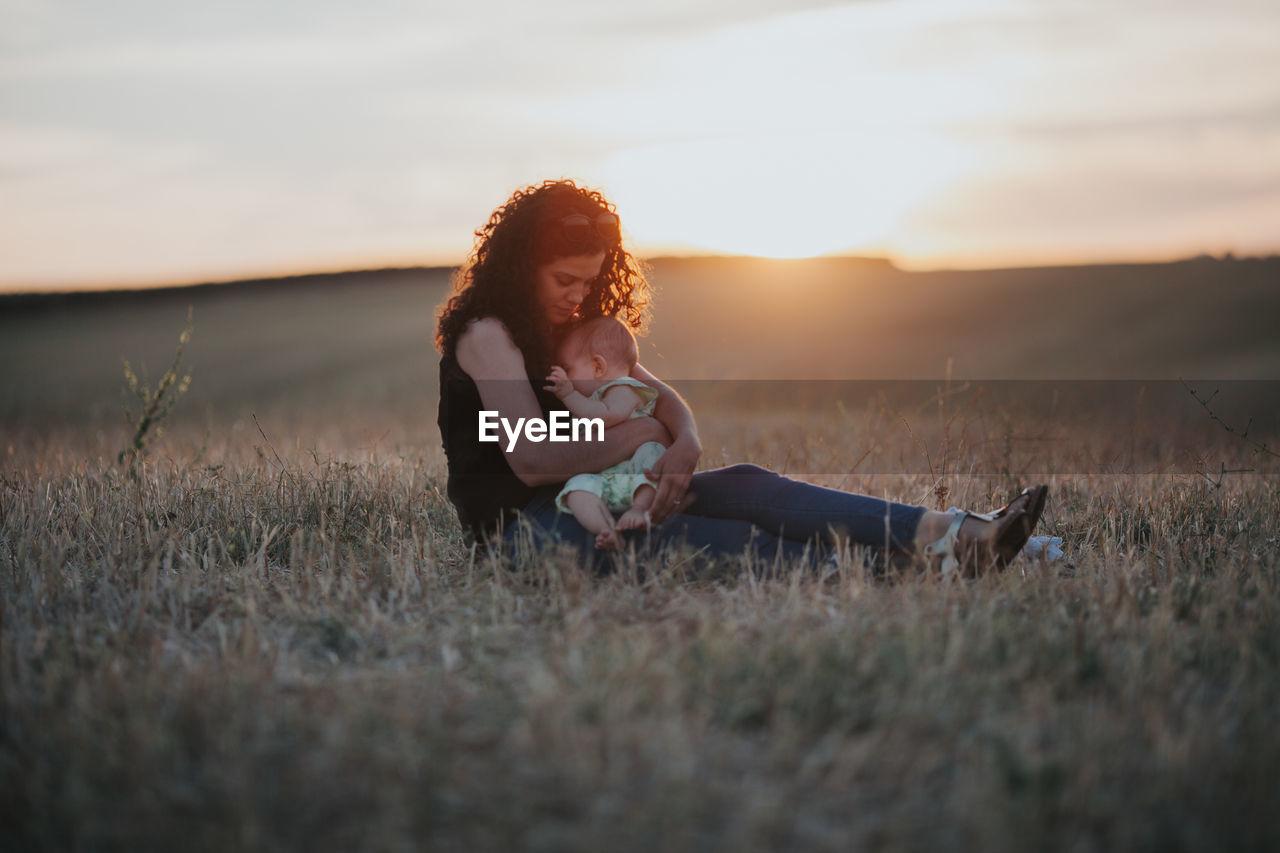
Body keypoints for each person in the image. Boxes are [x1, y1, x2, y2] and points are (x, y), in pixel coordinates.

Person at [435, 179, 1047, 576]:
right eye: (563, 280)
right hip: (524, 530)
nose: (578, 295)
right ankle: (915, 570)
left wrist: (687, 441)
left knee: (752, 485)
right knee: (720, 538)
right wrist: (642, 433)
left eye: (589, 281)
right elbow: (535, 462)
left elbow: (658, 395)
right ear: (521, 266)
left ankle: (960, 533)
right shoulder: (489, 336)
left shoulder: (568, 328)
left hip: (612, 493)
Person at [544, 316, 667, 550]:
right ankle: (607, 530)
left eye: (569, 369)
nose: (567, 376)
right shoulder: (590, 399)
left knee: (652, 455)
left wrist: (568, 394)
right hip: (606, 480)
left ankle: (640, 510)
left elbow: (605, 416)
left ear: (598, 366)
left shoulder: (625, 388)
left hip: (633, 473)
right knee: (577, 487)